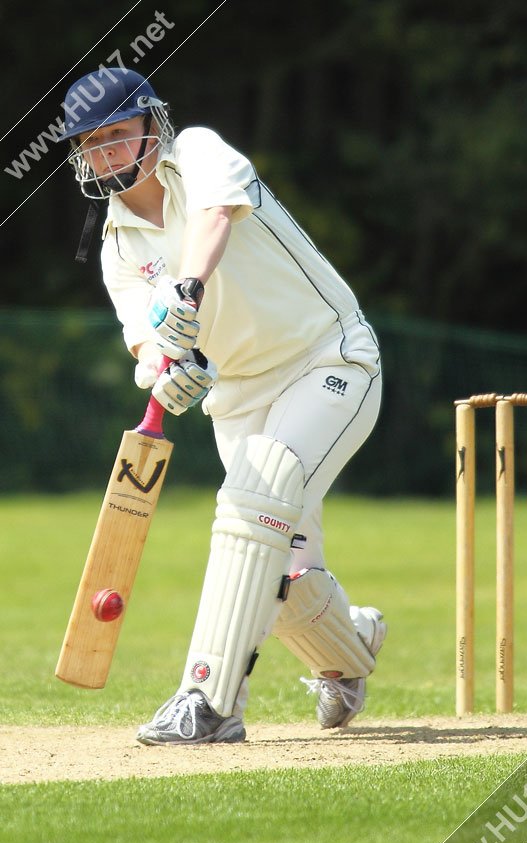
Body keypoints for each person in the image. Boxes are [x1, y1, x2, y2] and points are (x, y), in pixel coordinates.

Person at [58, 68, 386, 745]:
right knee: (285, 570)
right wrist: (166, 372)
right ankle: (349, 650)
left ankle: (207, 702)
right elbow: (147, 346)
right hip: (236, 397)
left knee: (254, 492)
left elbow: (214, 219)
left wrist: (186, 290)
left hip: (328, 360)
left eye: (118, 136)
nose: (107, 156)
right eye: (92, 145)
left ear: (153, 125)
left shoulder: (201, 153)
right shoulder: (118, 245)